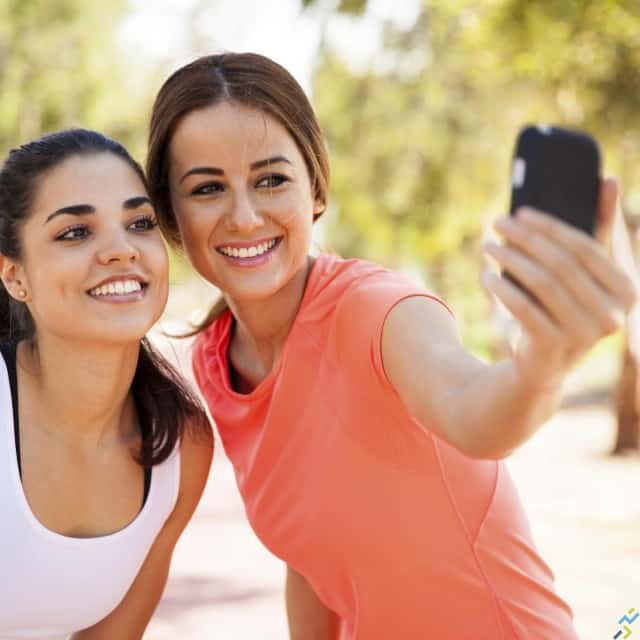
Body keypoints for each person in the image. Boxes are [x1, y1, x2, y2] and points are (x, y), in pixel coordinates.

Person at [146, 53, 636, 639]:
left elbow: (477, 414)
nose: (245, 215)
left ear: (316, 190)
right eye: (207, 189)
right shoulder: (214, 358)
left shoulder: (374, 310)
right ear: (172, 217)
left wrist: (541, 366)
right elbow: (310, 557)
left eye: (271, 179)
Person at [0, 128, 213, 640]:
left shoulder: (181, 447)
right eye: (75, 232)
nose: (121, 250)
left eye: (140, 223)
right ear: (14, 276)